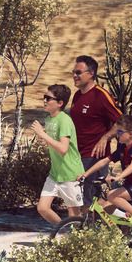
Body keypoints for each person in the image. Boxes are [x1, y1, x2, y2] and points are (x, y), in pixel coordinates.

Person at [32, 82, 85, 226]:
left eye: (48, 98)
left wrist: (43, 134)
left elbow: (63, 149)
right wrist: (44, 138)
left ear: (60, 103)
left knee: (74, 216)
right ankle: (63, 231)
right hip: (55, 174)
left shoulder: (65, 120)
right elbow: (53, 144)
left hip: (70, 175)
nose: (44, 101)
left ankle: (77, 242)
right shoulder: (49, 119)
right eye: (44, 97)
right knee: (43, 208)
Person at [95, 118, 132, 221]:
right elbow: (104, 161)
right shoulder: (122, 148)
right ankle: (128, 220)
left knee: (111, 195)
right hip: (130, 186)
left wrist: (118, 177)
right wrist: (85, 175)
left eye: (120, 132)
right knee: (103, 206)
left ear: (131, 134)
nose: (117, 134)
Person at [67, 54, 121, 163]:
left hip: (94, 157)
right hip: (76, 155)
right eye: (73, 72)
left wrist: (106, 137)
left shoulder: (101, 95)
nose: (74, 75)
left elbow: (122, 121)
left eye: (78, 72)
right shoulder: (77, 95)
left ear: (91, 73)